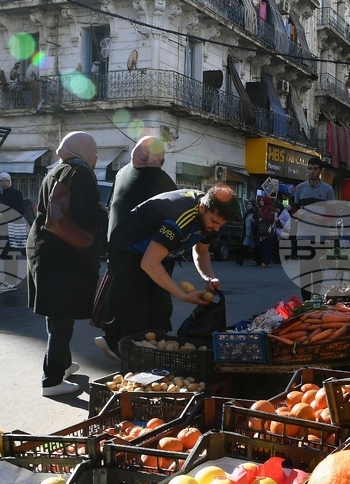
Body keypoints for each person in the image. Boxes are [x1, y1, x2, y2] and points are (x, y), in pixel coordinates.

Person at [96, 185, 240, 359]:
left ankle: (136, 346)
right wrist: (182, 295)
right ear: (202, 207)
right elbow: (149, 263)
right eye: (214, 223)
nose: (217, 229)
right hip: (128, 248)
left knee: (161, 309)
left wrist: (209, 277)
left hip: (157, 254)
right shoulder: (181, 216)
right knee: (136, 306)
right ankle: (125, 351)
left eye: (221, 225)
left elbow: (201, 252)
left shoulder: (208, 216)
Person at [27, 131, 108, 396]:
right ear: (84, 149)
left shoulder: (55, 171)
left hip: (46, 251)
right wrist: (102, 212)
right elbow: (83, 214)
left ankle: (61, 364)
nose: (96, 157)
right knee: (62, 317)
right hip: (65, 256)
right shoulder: (80, 173)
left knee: (57, 315)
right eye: (94, 151)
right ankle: (51, 380)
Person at [107, 135, 177, 238]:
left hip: (114, 242)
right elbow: (179, 207)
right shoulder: (157, 177)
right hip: (138, 248)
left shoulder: (121, 172)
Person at [0, 172, 26, 291]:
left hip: (14, 228)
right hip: (3, 229)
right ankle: (7, 279)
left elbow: (20, 211)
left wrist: (3, 215)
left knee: (12, 254)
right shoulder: (0, 195)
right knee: (5, 254)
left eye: (6, 180)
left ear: (10, 181)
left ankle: (12, 282)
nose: (4, 183)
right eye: (1, 181)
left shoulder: (15, 193)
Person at [257, 195, 277, 268]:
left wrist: (262, 220)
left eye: (262, 200)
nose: (261, 202)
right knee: (260, 246)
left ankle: (265, 261)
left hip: (267, 231)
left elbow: (270, 220)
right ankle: (261, 260)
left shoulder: (270, 210)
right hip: (261, 230)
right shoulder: (261, 209)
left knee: (266, 246)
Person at [235, 201, 258, 265]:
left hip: (252, 233)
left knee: (254, 247)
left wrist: (254, 221)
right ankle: (240, 260)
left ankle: (257, 259)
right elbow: (243, 220)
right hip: (246, 233)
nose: (248, 205)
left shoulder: (255, 213)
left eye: (250, 204)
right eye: (248, 204)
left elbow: (257, 222)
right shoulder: (247, 213)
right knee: (244, 246)